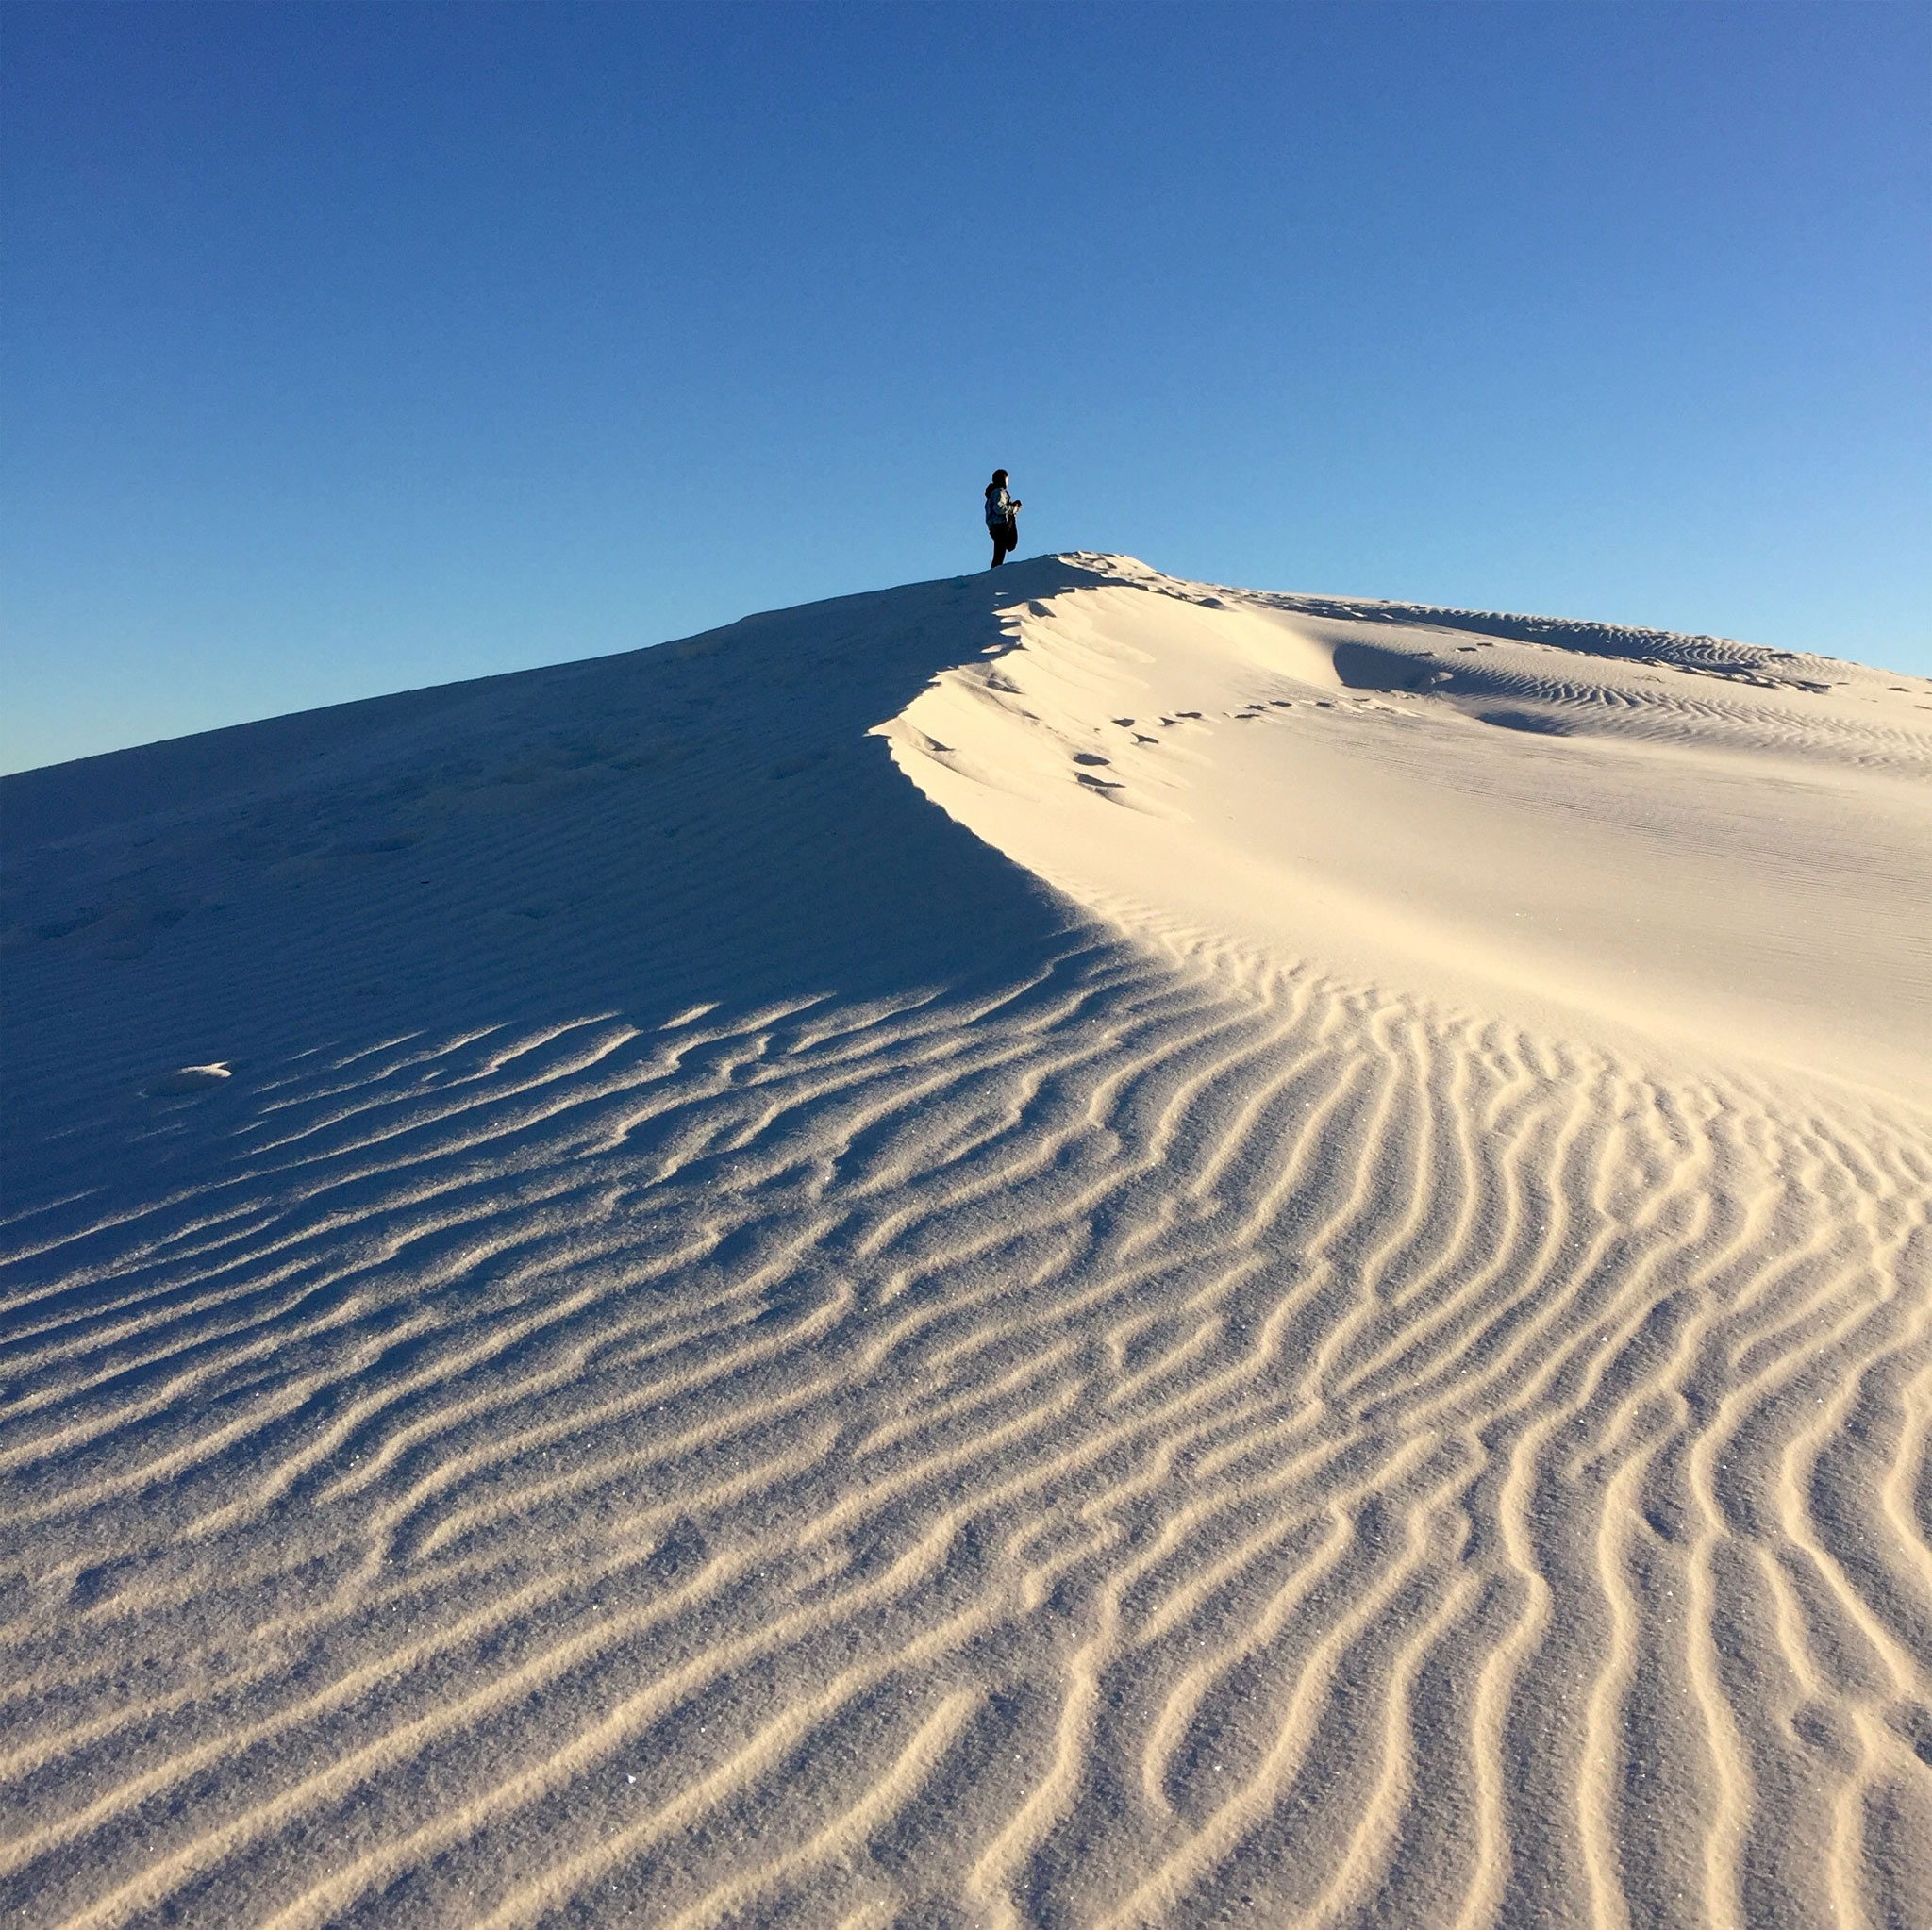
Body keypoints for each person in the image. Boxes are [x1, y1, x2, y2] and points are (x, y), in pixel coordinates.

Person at [985, 469, 1021, 567]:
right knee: (1000, 551)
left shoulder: (992, 494)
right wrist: (1014, 508)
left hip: (996, 526)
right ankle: (996, 571)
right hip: (1001, 525)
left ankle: (996, 569)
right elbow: (999, 508)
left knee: (1001, 549)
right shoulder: (998, 491)